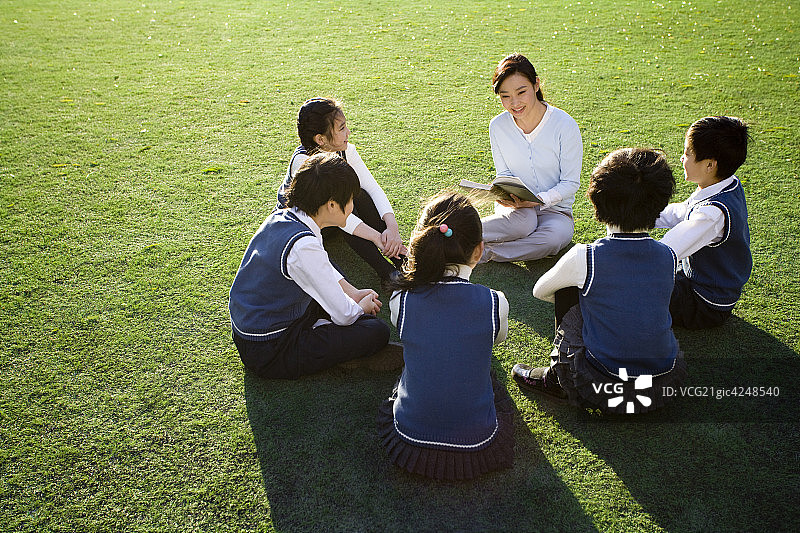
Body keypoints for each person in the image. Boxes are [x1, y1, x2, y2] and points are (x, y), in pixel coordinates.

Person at [512, 148, 687, 414]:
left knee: (569, 289)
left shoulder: (586, 256)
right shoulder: (668, 254)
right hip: (661, 384)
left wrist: (591, 301)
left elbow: (541, 291)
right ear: (659, 202)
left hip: (601, 386)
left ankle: (557, 380)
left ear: (598, 199)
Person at [377, 192, 515, 480]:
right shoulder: (495, 302)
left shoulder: (401, 300)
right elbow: (494, 341)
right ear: (478, 251)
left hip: (411, 438)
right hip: (477, 442)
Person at [230, 153, 400, 379]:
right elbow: (344, 315)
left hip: (262, 323)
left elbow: (320, 267)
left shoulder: (286, 217)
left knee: (345, 296)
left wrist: (353, 293)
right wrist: (360, 306)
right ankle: (348, 352)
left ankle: (335, 340)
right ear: (331, 204)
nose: (352, 207)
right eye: (350, 200)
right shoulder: (303, 245)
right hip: (270, 348)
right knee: (375, 331)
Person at [276, 97, 406, 283]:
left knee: (360, 195)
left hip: (335, 217)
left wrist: (392, 230)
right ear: (320, 139)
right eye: (342, 128)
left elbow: (372, 187)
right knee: (341, 208)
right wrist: (377, 237)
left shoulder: (346, 150)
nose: (349, 132)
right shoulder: (303, 164)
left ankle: (401, 259)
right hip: (308, 226)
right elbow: (336, 213)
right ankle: (387, 274)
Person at [480, 53, 583, 263]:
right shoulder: (497, 126)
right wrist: (507, 194)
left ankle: (483, 252)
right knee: (523, 224)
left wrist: (537, 201)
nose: (514, 103)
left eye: (521, 92)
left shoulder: (565, 125)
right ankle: (453, 233)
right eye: (505, 96)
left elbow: (570, 183)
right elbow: (504, 172)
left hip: (556, 211)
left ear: (536, 85)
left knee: (554, 239)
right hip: (515, 209)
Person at [656, 116, 752, 329]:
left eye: (687, 153)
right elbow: (683, 212)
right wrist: (643, 215)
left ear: (710, 165)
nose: (682, 158)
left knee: (633, 285)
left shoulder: (712, 214)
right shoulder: (725, 183)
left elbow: (665, 253)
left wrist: (622, 253)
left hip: (704, 303)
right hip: (695, 279)